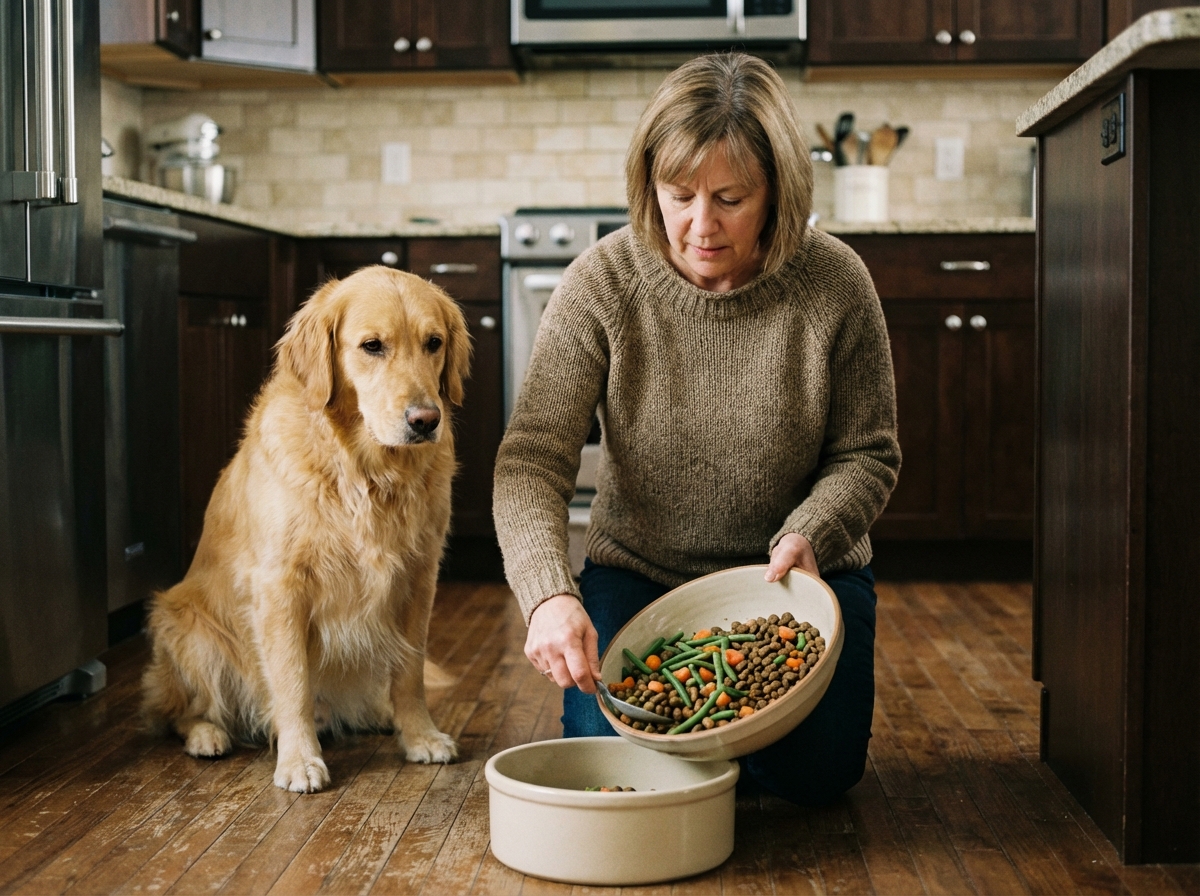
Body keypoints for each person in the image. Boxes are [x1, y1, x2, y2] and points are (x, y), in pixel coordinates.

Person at [492, 52, 900, 806]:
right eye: (678, 195)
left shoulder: (837, 282)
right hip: (642, 576)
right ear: (649, 186)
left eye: (731, 198)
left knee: (815, 776)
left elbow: (867, 454)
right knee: (612, 760)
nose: (699, 226)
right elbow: (532, 462)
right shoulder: (603, 282)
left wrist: (813, 528)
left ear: (778, 191)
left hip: (800, 584)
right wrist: (548, 594)